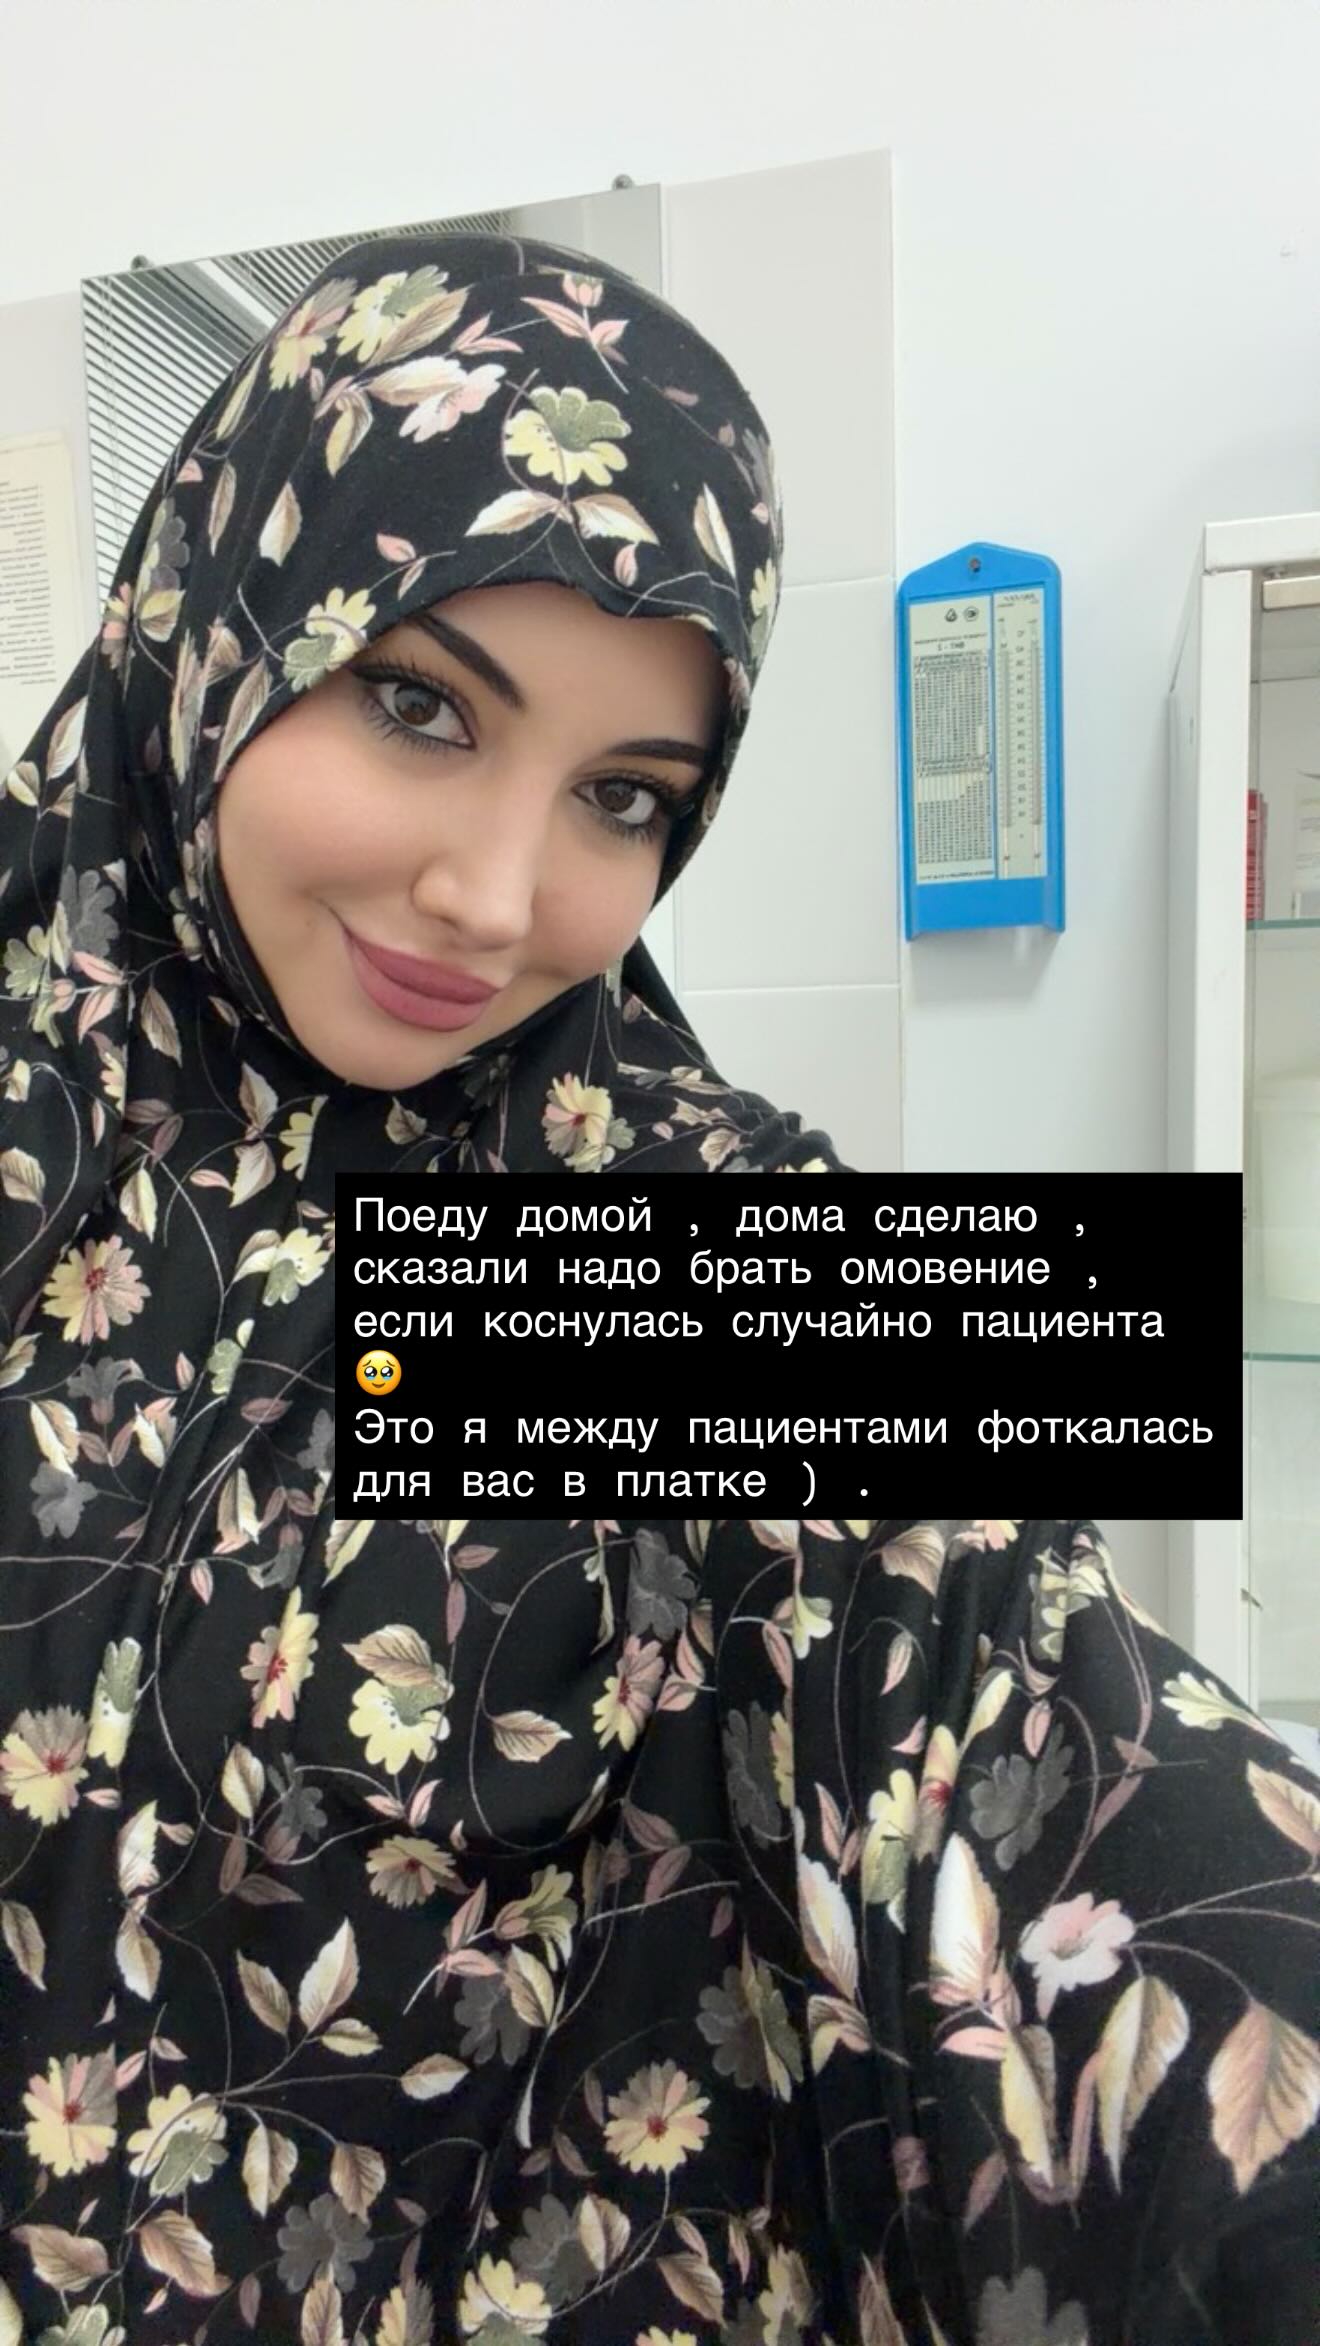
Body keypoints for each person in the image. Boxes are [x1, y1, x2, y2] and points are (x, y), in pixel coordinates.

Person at [0, 234, 1314, 2345]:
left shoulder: (640, 1234)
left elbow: (1022, 1689)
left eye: (624, 799)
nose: (496, 899)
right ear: (226, 616)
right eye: (418, 705)